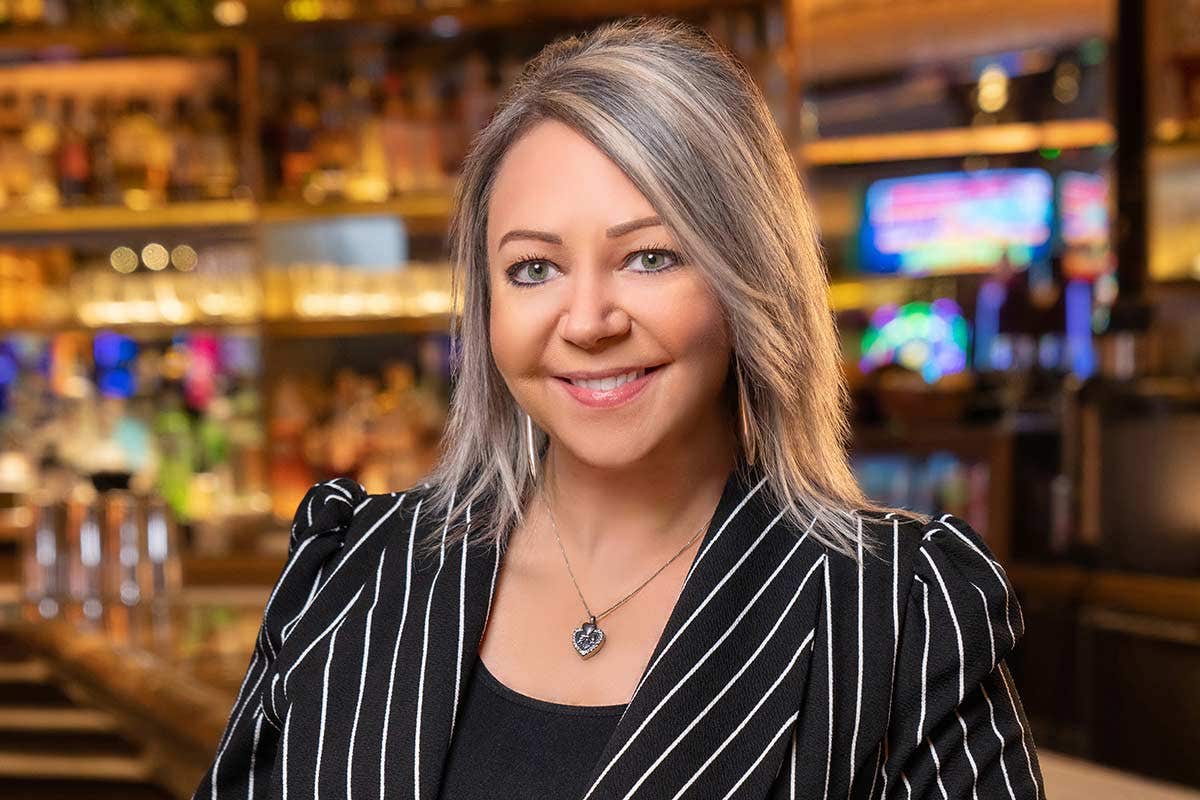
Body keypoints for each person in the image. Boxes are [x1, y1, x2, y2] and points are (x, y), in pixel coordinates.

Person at [194, 16, 1045, 800]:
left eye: (649, 257)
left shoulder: (895, 614)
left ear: (749, 276)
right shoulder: (353, 573)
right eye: (534, 269)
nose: (589, 321)